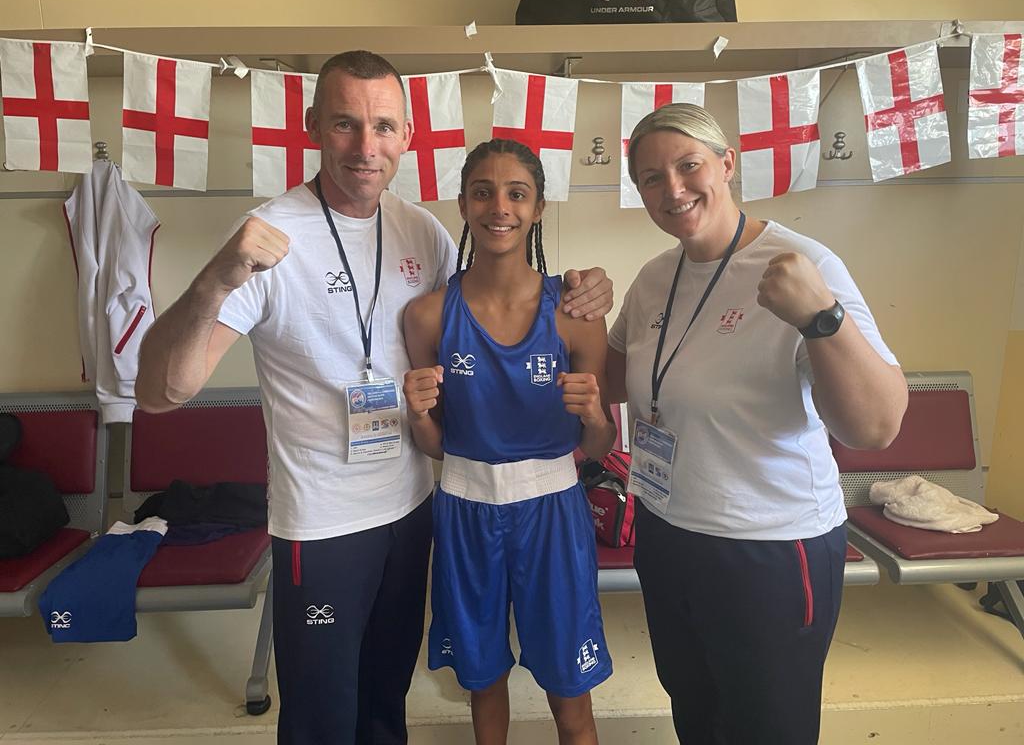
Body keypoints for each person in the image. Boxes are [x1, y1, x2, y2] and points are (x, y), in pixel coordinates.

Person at [134, 51, 614, 745]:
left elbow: (488, 301)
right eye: (345, 124)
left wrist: (586, 283)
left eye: (382, 126)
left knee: (386, 702)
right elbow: (160, 392)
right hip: (324, 523)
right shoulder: (268, 237)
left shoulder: (420, 229)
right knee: (325, 715)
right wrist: (215, 277)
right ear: (312, 127)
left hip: (417, 509)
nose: (366, 146)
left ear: (407, 136)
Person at [605, 103, 908, 745]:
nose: (674, 189)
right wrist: (571, 299)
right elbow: (606, 378)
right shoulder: (655, 278)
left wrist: (821, 317)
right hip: (667, 531)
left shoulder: (802, 265)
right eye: (652, 177)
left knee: (767, 726)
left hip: (769, 546)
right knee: (695, 708)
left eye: (689, 166)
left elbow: (877, 426)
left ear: (728, 164)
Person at [402, 139, 616, 745]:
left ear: (539, 207)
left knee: (570, 693)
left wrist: (596, 413)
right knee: (483, 683)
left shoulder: (574, 312)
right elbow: (439, 446)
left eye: (517, 193)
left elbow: (598, 445)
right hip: (465, 511)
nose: (500, 207)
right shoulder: (426, 316)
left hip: (553, 513)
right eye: (483, 192)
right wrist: (417, 418)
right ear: (464, 204)